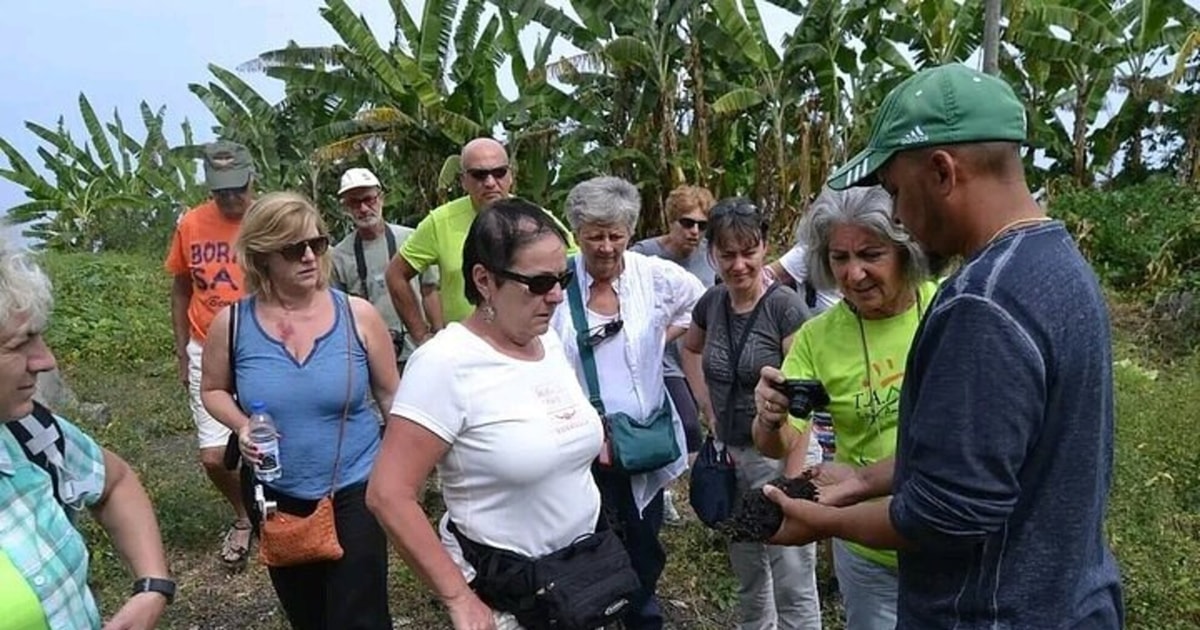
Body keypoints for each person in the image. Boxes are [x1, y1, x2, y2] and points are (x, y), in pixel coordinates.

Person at [757, 63, 1124, 628]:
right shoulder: (1058, 265)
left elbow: (951, 514)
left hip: (991, 611)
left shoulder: (980, 303)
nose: (899, 214)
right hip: (1068, 598)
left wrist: (822, 523)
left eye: (896, 191)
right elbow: (986, 464)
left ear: (942, 171)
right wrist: (859, 478)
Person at [367, 198, 602, 630]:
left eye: (563, 279)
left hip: (579, 575)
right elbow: (388, 494)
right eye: (539, 282)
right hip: (511, 594)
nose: (555, 296)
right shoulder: (446, 364)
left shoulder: (547, 342)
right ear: (485, 280)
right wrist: (458, 597)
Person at [200, 192, 399, 629]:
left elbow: (391, 398)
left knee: (361, 614)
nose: (309, 257)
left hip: (355, 485)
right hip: (276, 492)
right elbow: (213, 389)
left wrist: (403, 476)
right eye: (293, 249)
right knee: (306, 612)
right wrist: (241, 425)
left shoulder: (359, 316)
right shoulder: (232, 324)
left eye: (317, 244)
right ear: (262, 256)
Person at [751, 186, 936, 630]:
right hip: (866, 544)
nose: (854, 275)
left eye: (871, 254)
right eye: (839, 259)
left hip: (945, 538)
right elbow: (778, 444)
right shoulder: (817, 338)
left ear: (905, 250)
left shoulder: (945, 306)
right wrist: (769, 417)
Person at [549, 176, 705, 630]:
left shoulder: (653, 276)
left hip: (640, 440)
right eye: (594, 235)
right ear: (577, 235)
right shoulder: (559, 283)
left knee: (642, 536)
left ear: (630, 233)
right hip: (578, 442)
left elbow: (701, 308)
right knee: (585, 536)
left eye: (615, 235)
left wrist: (661, 338)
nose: (605, 246)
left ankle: (641, 613)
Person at [1, 240, 173, 629]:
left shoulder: (31, 433)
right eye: (19, 342)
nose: (46, 360)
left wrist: (152, 586)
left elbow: (116, 481)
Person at [678, 198, 820, 630]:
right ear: (712, 255)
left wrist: (793, 479)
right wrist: (708, 408)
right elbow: (690, 348)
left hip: (779, 453)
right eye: (727, 254)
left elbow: (802, 397)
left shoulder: (784, 307)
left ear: (764, 247)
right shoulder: (712, 303)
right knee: (748, 570)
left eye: (749, 251)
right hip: (731, 454)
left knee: (792, 574)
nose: (740, 264)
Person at [385, 138, 575, 345]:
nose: (490, 182)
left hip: (532, 346)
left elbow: (579, 266)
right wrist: (421, 335)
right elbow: (396, 274)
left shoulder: (537, 219)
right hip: (466, 351)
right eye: (479, 175)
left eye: (499, 172)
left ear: (511, 175)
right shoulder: (440, 222)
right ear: (463, 181)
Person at [163, 140, 254, 569]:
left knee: (269, 438)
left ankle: (288, 513)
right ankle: (245, 515)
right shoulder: (192, 224)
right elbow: (181, 287)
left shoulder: (269, 220)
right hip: (206, 346)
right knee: (214, 457)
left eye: (237, 188)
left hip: (260, 345)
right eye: (221, 190)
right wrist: (183, 352)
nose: (230, 198)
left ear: (252, 178)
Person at [630, 184, 717, 521]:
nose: (694, 231)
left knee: (697, 423)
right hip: (660, 359)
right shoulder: (643, 255)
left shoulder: (711, 257)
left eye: (702, 225)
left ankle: (696, 495)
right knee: (687, 426)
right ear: (671, 220)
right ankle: (687, 496)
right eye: (687, 222)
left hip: (697, 355)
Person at [330, 167, 443, 371]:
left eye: (369, 199)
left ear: (381, 198)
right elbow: (339, 312)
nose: (364, 208)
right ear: (345, 208)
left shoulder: (411, 239)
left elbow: (430, 289)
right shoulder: (339, 256)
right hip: (371, 355)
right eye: (355, 203)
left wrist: (438, 337)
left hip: (419, 349)